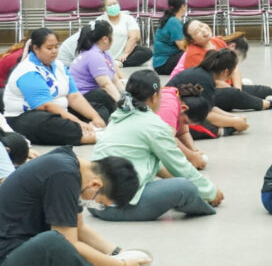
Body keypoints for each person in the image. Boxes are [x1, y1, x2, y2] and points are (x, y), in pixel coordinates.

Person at [0, 147, 152, 266]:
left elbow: (79, 227)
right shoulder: (63, 175)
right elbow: (69, 242)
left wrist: (117, 252)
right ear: (95, 185)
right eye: (98, 201)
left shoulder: (69, 165)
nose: (93, 204)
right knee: (54, 241)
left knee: (57, 240)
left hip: (18, 253)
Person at [90, 70, 223, 221]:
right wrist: (210, 191)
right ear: (154, 96)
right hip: (116, 207)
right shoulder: (154, 125)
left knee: (178, 183)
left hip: (94, 203)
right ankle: (205, 202)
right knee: (185, 187)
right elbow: (179, 165)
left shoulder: (118, 117)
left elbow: (156, 165)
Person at [3, 28, 108, 146]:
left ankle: (89, 128)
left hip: (60, 110)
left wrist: (95, 117)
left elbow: (74, 96)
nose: (54, 51)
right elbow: (46, 106)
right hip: (28, 117)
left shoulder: (59, 65)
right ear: (36, 49)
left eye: (56, 47)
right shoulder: (28, 70)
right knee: (48, 123)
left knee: (98, 108)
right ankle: (90, 135)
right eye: (49, 48)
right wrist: (78, 122)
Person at [166, 49, 250, 137]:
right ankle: (221, 131)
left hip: (178, 109)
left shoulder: (204, 75)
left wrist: (233, 117)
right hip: (171, 114)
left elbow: (210, 108)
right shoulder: (204, 79)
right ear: (226, 72)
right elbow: (206, 115)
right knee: (197, 124)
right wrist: (234, 122)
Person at [68, 20, 124, 117]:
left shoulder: (104, 53)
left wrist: (126, 95)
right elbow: (105, 85)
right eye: (112, 36)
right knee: (104, 95)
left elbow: (115, 80)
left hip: (92, 94)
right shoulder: (94, 55)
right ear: (105, 39)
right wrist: (123, 104)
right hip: (80, 98)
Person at [156, 82, 212, 170]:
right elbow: (167, 138)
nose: (184, 125)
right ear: (184, 108)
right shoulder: (169, 105)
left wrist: (194, 151)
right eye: (185, 122)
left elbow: (183, 133)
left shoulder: (177, 97)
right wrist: (191, 156)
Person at [100, 0, 152, 67]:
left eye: (115, 4)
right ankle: (110, 61)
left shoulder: (128, 18)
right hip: (106, 53)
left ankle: (119, 63)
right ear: (104, 9)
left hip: (125, 52)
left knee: (146, 52)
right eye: (109, 5)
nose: (113, 6)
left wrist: (126, 53)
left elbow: (134, 37)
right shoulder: (100, 20)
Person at [152, 0, 187, 75]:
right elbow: (182, 46)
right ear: (183, 6)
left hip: (160, 64)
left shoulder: (170, 19)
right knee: (193, 53)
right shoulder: (174, 21)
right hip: (164, 63)